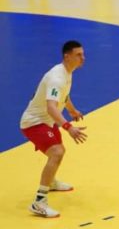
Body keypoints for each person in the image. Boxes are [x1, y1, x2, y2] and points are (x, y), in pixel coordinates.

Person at [20, 41, 88, 218]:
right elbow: (51, 107)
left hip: (48, 121)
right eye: (79, 55)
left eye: (83, 54)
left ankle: (49, 182)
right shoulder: (57, 78)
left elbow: (64, 96)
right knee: (57, 152)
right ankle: (39, 202)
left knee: (59, 152)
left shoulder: (66, 72)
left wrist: (72, 111)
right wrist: (68, 127)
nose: (83, 58)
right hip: (35, 122)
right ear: (67, 56)